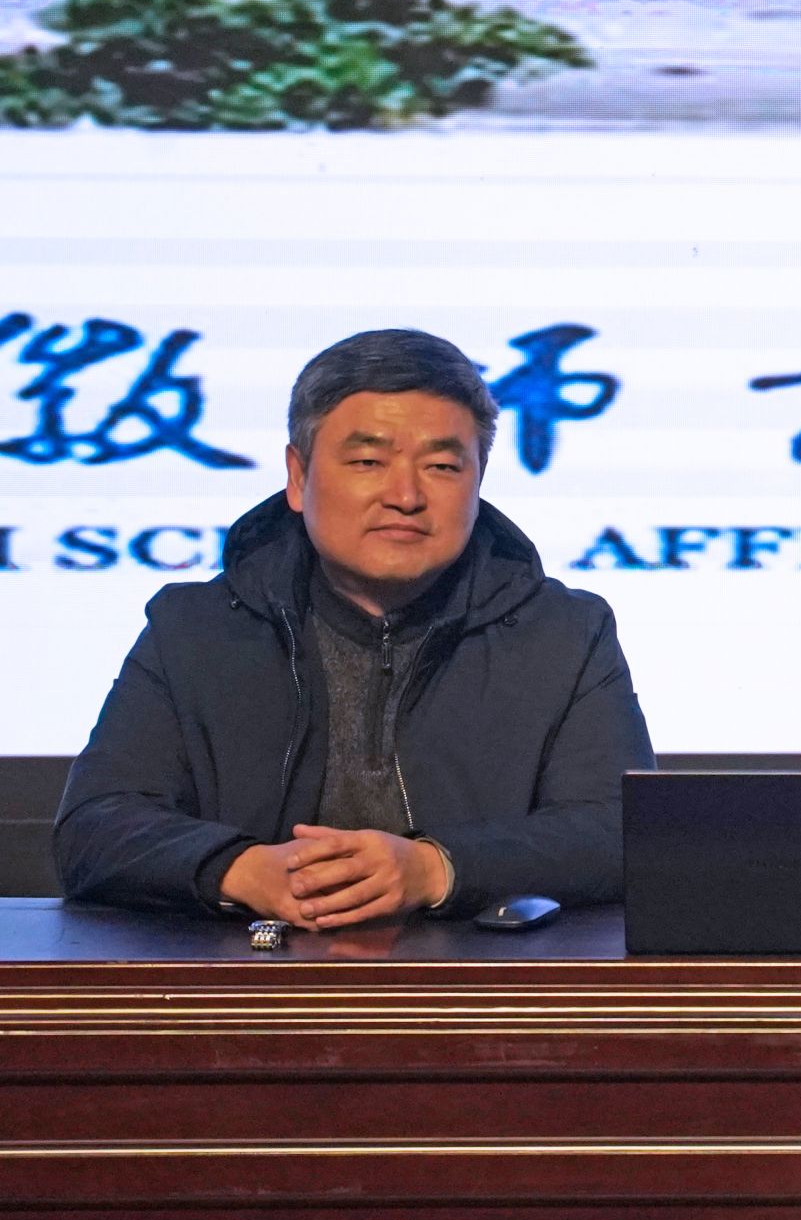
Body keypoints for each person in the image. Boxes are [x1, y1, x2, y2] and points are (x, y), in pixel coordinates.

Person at [53, 329, 653, 927]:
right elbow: (94, 826)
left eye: (442, 466)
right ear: (298, 476)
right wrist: (242, 870)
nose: (406, 496)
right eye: (368, 462)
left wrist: (434, 869)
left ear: (478, 481)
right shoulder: (194, 629)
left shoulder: (566, 634)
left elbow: (619, 832)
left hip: (477, 977)